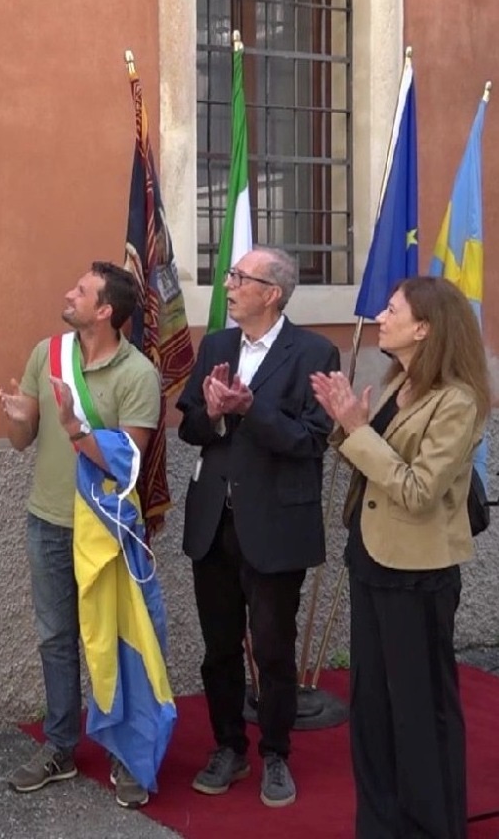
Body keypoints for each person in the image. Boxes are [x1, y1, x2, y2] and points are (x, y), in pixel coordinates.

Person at [311, 277, 488, 838]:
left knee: (421, 712)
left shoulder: (458, 401)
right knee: (372, 707)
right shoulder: (397, 382)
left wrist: (358, 431)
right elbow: (372, 457)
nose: (380, 317)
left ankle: (432, 826)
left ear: (425, 327)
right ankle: (382, 825)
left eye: (392, 310)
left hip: (417, 572)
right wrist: (346, 428)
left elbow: (418, 490)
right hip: (369, 557)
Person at [176, 247, 339, 808]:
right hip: (213, 522)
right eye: (230, 276)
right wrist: (217, 412)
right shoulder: (217, 346)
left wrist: (250, 409)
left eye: (240, 278)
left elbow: (312, 441)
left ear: (272, 293)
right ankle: (229, 747)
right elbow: (191, 429)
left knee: (272, 648)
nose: (228, 284)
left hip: (275, 525)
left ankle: (275, 753)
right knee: (219, 647)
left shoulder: (315, 351)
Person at [0, 261, 161, 807]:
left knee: (112, 638)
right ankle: (62, 746)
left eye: (82, 291)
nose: (69, 293)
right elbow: (22, 441)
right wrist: (21, 416)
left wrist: (75, 428)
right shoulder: (47, 354)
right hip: (47, 520)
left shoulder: (139, 374)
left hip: (106, 528)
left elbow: (129, 462)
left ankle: (126, 752)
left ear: (106, 310)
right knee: (56, 637)